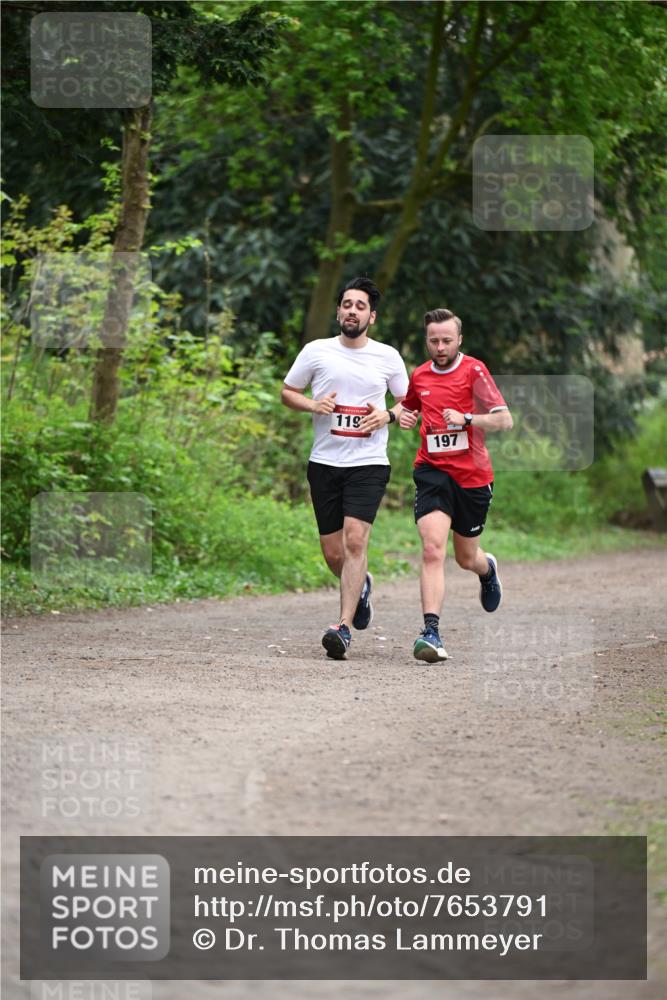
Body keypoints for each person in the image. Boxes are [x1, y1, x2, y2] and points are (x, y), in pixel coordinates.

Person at [281, 277, 408, 660]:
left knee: (356, 541)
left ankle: (342, 627)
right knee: (333, 553)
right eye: (347, 304)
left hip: (367, 464)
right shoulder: (316, 351)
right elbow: (288, 392)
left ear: (372, 316)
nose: (352, 310)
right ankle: (362, 585)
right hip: (324, 463)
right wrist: (313, 406)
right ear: (339, 311)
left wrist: (386, 415)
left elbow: (410, 404)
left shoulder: (387, 356)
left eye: (360, 306)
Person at [399, 308, 513, 663]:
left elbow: (504, 421)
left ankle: (487, 569)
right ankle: (430, 631)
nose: (440, 346)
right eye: (433, 340)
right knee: (433, 549)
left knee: (466, 558)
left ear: (459, 339)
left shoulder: (474, 370)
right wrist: (403, 414)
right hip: (432, 472)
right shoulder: (419, 375)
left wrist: (466, 418)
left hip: (473, 478)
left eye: (447, 340)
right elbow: (408, 406)